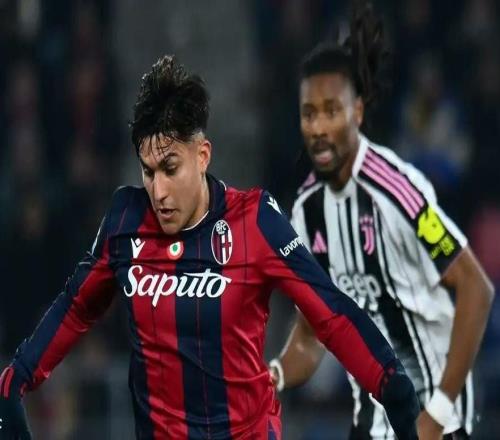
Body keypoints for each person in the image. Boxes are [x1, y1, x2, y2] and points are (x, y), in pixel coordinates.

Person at [0, 56, 419, 439]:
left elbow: (330, 314)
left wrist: (390, 382)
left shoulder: (255, 222)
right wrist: (17, 376)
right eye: (148, 171)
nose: (158, 191)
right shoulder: (125, 219)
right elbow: (77, 307)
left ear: (202, 156)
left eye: (170, 168)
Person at [268, 3, 494, 440]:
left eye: (331, 111)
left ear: (357, 113)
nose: (319, 127)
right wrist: (272, 376)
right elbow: (310, 337)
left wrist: (439, 411)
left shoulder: (396, 192)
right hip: (375, 419)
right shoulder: (308, 212)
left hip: (434, 417)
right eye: (309, 113)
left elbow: (476, 288)